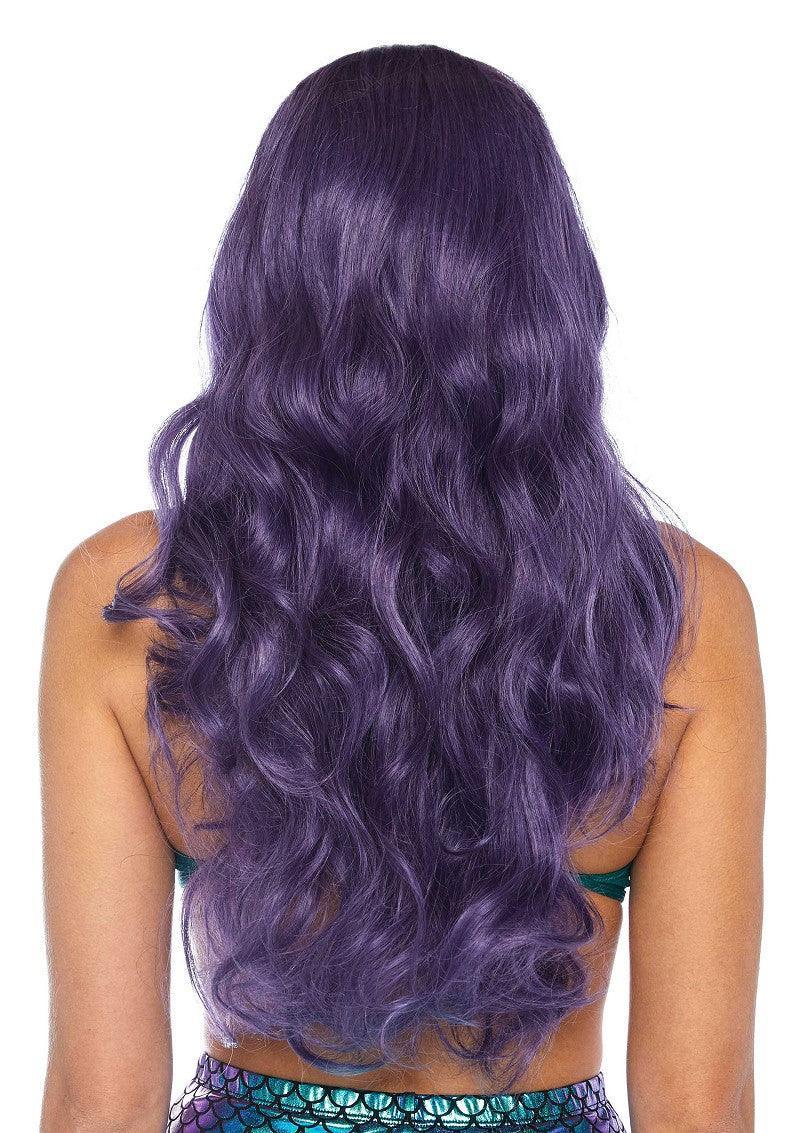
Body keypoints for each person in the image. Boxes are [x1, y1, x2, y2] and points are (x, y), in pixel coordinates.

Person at [38, 44, 765, 1133]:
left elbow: (103, 1104)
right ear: (545, 295)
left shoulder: (135, 596)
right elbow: (698, 1110)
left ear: (268, 282)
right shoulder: (679, 611)